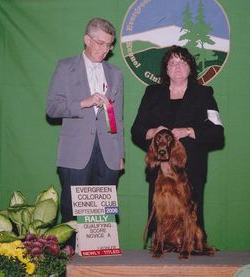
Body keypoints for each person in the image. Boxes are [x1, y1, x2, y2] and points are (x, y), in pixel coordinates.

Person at [131, 45, 224, 241]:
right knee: (161, 220)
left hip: (191, 168)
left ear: (191, 68)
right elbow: (136, 130)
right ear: (166, 69)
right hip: (160, 170)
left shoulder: (204, 94)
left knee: (191, 218)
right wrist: (153, 132)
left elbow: (217, 133)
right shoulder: (152, 93)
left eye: (183, 62)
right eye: (172, 63)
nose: (178, 67)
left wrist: (189, 131)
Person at [46, 18, 124, 246]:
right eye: (99, 43)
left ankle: (98, 266)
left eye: (109, 45)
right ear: (86, 40)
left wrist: (120, 154)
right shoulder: (65, 67)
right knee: (71, 215)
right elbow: (52, 108)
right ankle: (67, 264)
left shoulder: (116, 74)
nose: (104, 50)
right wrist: (84, 102)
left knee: (102, 219)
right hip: (75, 153)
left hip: (108, 154)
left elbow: (118, 116)